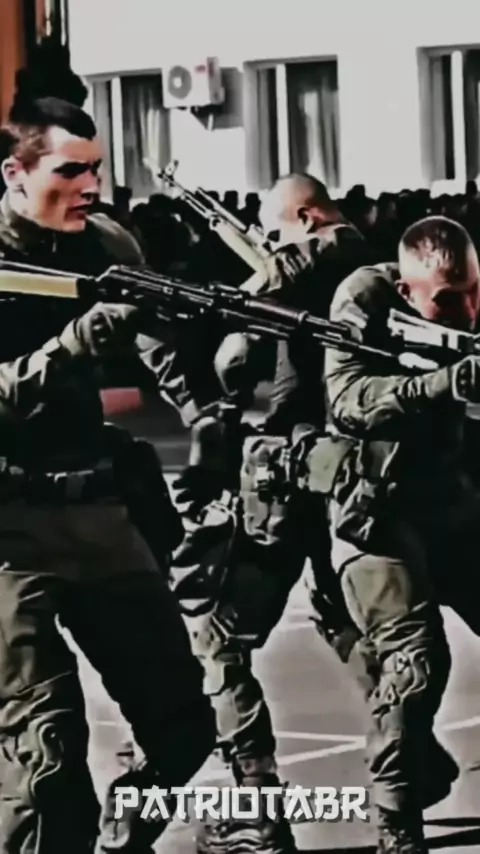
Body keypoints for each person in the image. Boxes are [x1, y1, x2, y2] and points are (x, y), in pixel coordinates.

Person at [0, 95, 216, 854]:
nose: (90, 186)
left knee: (184, 728)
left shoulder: (107, 243)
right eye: (69, 171)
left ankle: (125, 835)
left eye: (95, 169)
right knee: (48, 761)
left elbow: (153, 335)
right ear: (16, 173)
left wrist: (204, 410)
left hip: (97, 511)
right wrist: (72, 346)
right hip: (9, 532)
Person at [169, 173, 388, 854]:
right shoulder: (351, 269)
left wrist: (236, 297)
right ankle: (408, 759)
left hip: (293, 483)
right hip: (334, 477)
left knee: (218, 637)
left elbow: (289, 274)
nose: (273, 245)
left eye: (277, 230)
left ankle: (257, 807)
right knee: (339, 615)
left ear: (308, 216)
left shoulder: (335, 251)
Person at [323, 215, 480, 853]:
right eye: (448, 300)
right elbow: (347, 399)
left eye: (474, 291)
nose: (467, 310)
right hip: (377, 512)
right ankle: (397, 820)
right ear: (408, 290)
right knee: (415, 664)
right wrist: (440, 384)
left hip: (454, 501)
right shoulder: (365, 299)